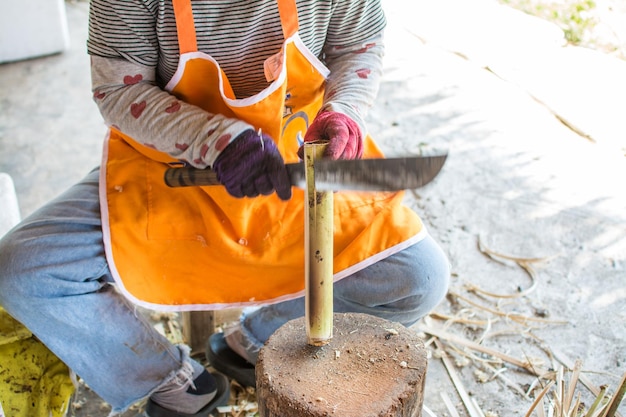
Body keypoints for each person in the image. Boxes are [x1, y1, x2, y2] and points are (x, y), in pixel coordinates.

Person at [0, 0, 450, 416]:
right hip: (173, 173)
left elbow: (359, 44)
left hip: (297, 158)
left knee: (417, 278)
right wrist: (214, 140)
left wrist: (346, 110)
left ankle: (253, 343)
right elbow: (119, 89)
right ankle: (170, 379)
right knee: (26, 270)